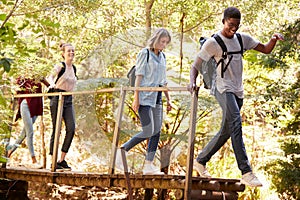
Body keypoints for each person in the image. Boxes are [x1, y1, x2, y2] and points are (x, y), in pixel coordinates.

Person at [188, 7, 283, 187]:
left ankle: (201, 160)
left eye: (237, 25)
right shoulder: (213, 43)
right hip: (222, 89)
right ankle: (246, 171)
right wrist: (192, 81)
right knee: (236, 123)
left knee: (227, 130)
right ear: (223, 21)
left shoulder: (242, 39)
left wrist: (273, 39)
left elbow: (265, 49)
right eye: (231, 25)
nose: (234, 29)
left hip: (238, 91)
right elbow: (196, 65)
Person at [119, 28, 173, 175]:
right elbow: (139, 76)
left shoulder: (163, 57)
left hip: (157, 97)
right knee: (148, 130)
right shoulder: (145, 53)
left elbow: (163, 81)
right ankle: (124, 149)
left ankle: (148, 166)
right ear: (156, 39)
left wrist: (169, 100)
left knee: (157, 131)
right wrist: (136, 98)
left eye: (166, 42)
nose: (164, 45)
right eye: (162, 41)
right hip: (143, 96)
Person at [7, 76, 49, 169]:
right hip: (25, 106)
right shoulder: (24, 77)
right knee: (30, 132)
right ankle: (34, 160)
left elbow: (49, 86)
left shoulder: (39, 76)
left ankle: (8, 153)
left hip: (35, 108)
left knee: (24, 134)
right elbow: (17, 85)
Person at [47, 41, 77, 171]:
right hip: (57, 97)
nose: (71, 52)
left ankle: (62, 160)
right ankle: (52, 160)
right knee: (57, 129)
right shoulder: (60, 65)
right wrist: (52, 84)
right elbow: (50, 77)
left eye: (72, 50)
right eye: (68, 51)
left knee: (71, 128)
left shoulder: (74, 68)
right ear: (63, 54)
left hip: (68, 99)